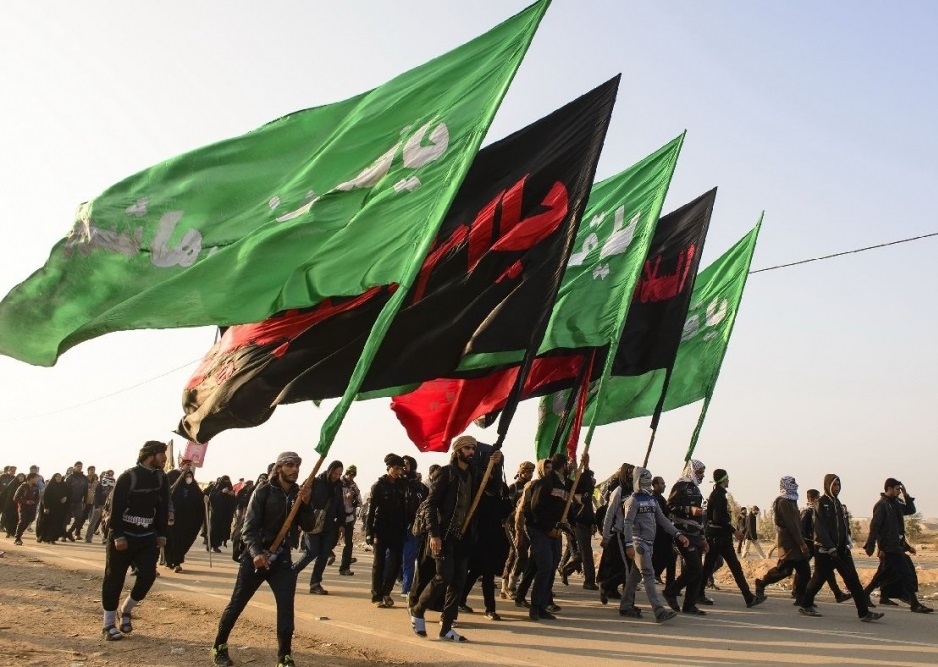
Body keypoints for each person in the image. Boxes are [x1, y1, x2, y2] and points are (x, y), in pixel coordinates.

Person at [211, 452, 314, 667]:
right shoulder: (263, 491)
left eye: (297, 465)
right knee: (237, 603)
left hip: (281, 559)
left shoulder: (298, 494)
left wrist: (306, 504)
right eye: (289, 465)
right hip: (256, 557)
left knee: (286, 609)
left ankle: (284, 657)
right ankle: (219, 645)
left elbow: (309, 526)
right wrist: (256, 553)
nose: (294, 469)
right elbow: (249, 528)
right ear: (279, 468)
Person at [409, 435, 496, 641]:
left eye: (473, 449)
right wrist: (434, 534)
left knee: (458, 582)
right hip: (444, 535)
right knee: (443, 577)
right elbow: (430, 505)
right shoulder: (446, 473)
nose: (471, 452)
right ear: (457, 451)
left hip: (464, 537)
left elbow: (492, 489)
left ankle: (446, 628)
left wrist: (495, 463)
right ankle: (418, 610)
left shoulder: (474, 474)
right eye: (467, 448)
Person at [100, 441, 170, 641]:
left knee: (148, 576)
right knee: (114, 579)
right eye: (162, 454)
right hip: (123, 536)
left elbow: (163, 507)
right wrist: (118, 535)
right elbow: (116, 508)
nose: (165, 458)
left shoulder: (161, 478)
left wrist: (162, 533)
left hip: (147, 536)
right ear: (150, 455)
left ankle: (127, 609)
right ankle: (108, 624)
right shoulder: (128, 477)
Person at [799, 474, 883, 622]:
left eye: (838, 485)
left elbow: (844, 527)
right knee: (818, 579)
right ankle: (805, 604)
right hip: (825, 551)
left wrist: (846, 542)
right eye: (834, 485)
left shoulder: (838, 504)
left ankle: (864, 613)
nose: (837, 488)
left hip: (841, 550)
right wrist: (830, 547)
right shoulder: (821, 503)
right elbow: (820, 528)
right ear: (828, 486)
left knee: (853, 579)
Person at [619, 467, 687, 623]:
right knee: (649, 575)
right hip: (639, 544)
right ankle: (659, 611)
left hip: (649, 544)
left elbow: (662, 520)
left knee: (634, 578)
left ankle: (625, 606)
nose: (648, 483)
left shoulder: (652, 500)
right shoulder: (632, 501)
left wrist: (678, 534)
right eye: (645, 480)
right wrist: (629, 545)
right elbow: (627, 524)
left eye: (649, 480)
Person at [863, 479, 932, 613]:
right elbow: (875, 526)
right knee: (906, 574)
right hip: (889, 547)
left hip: (896, 546)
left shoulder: (896, 504)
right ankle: (914, 604)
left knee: (882, 574)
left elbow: (911, 510)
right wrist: (872, 545)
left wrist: (906, 495)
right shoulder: (882, 505)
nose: (899, 491)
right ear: (889, 488)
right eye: (897, 489)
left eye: (900, 489)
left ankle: (865, 595)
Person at [700, 469, 766, 609]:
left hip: (720, 537)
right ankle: (692, 593)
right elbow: (719, 519)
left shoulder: (718, 494)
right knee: (712, 567)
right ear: (723, 480)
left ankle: (748, 597)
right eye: (727, 478)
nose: (729, 481)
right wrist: (734, 531)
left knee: (729, 567)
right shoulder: (718, 496)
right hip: (718, 538)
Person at [755, 476, 811, 608]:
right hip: (788, 543)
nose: (795, 485)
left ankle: (801, 598)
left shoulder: (792, 501)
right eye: (792, 483)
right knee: (784, 570)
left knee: (804, 571)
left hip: (795, 541)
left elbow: (797, 523)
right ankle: (761, 583)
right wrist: (801, 543)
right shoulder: (783, 502)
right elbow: (791, 524)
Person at [663, 459, 709, 615]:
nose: (702, 475)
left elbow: (699, 516)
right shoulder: (680, 486)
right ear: (692, 471)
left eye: (703, 472)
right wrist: (689, 510)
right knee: (695, 568)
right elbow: (669, 507)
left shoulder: (696, 489)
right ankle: (671, 591)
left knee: (697, 570)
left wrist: (702, 537)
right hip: (682, 532)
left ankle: (690, 605)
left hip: (695, 534)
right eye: (699, 472)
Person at [294, 460, 344, 594]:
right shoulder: (315, 482)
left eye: (339, 474)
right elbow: (300, 500)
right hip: (312, 523)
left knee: (324, 554)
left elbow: (340, 505)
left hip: (329, 525)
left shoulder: (338, 486)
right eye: (335, 473)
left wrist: (341, 524)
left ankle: (315, 584)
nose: (336, 476)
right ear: (330, 470)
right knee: (312, 552)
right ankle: (292, 572)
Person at [366, 454, 409, 608]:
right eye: (396, 468)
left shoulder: (402, 485)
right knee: (379, 563)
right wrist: (369, 532)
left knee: (396, 563)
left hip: (397, 530)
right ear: (389, 468)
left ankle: (386, 592)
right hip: (380, 529)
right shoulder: (379, 486)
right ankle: (377, 595)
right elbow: (371, 511)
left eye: (400, 469)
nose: (398, 472)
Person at [794, 488, 849, 603]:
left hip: (816, 543)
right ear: (811, 499)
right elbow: (802, 529)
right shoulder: (807, 511)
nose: (819, 500)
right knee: (803, 568)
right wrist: (803, 543)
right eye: (817, 498)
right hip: (808, 543)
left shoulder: (816, 510)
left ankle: (837, 593)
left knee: (826, 569)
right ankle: (798, 593)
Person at [501, 461, 534, 599]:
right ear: (521, 472)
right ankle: (511, 586)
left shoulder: (532, 487)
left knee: (512, 555)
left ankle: (504, 587)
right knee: (521, 554)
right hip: (511, 524)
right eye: (527, 471)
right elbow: (507, 507)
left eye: (531, 471)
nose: (530, 474)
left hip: (524, 525)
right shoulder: (513, 487)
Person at [164, 468, 204, 572]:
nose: (188, 479)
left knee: (182, 541)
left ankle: (177, 562)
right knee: (172, 540)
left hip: (187, 522)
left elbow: (201, 502)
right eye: (187, 477)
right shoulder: (175, 489)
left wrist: (206, 500)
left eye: (190, 477)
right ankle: (169, 561)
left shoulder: (195, 489)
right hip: (174, 521)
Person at [651, 476, 676, 588]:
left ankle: (669, 586)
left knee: (670, 558)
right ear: (655, 485)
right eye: (662, 483)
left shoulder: (661, 498)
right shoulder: (653, 498)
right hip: (657, 534)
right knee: (663, 557)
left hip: (664, 533)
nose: (664, 485)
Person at [338, 465, 362, 576]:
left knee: (348, 543)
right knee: (331, 540)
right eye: (349, 474)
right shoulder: (338, 483)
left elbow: (360, 502)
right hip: (337, 516)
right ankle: (328, 554)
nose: (351, 476)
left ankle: (345, 567)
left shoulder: (354, 486)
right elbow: (333, 499)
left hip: (349, 517)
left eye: (353, 475)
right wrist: (345, 497)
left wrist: (354, 497)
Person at [36, 472, 68, 544]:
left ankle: (52, 539)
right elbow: (45, 497)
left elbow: (67, 494)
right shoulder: (50, 486)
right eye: (57, 476)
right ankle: (43, 537)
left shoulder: (63, 486)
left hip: (59, 508)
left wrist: (65, 499)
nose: (59, 478)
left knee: (56, 524)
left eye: (60, 476)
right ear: (54, 478)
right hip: (49, 507)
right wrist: (46, 507)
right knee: (47, 523)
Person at [209, 476, 238, 552]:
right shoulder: (216, 488)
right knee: (214, 529)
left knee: (222, 530)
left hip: (226, 515)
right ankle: (210, 544)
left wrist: (232, 495)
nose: (226, 482)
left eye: (227, 481)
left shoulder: (230, 489)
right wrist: (221, 492)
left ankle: (216, 546)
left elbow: (234, 502)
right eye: (224, 481)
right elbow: (212, 497)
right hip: (216, 513)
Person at [12, 472, 41, 545]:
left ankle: (20, 534)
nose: (37, 479)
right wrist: (26, 501)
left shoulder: (35, 487)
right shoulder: (23, 486)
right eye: (36, 478)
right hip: (23, 507)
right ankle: (17, 538)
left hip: (32, 508)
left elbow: (37, 498)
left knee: (29, 520)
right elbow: (15, 498)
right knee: (22, 521)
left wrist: (34, 502)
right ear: (31, 478)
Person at [63, 461, 89, 542]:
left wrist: (85, 501)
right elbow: (65, 490)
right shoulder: (70, 477)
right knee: (66, 519)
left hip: (78, 501)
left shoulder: (84, 478)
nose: (79, 468)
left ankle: (69, 532)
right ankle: (63, 535)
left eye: (80, 466)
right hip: (69, 501)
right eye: (78, 466)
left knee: (79, 518)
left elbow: (86, 491)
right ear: (74, 467)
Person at [85, 470, 114, 543]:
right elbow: (96, 496)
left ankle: (104, 538)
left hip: (107, 507)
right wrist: (96, 506)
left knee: (105, 523)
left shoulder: (113, 485)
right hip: (99, 505)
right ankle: (88, 538)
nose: (110, 475)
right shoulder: (100, 485)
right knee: (93, 522)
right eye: (109, 474)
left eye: (111, 474)